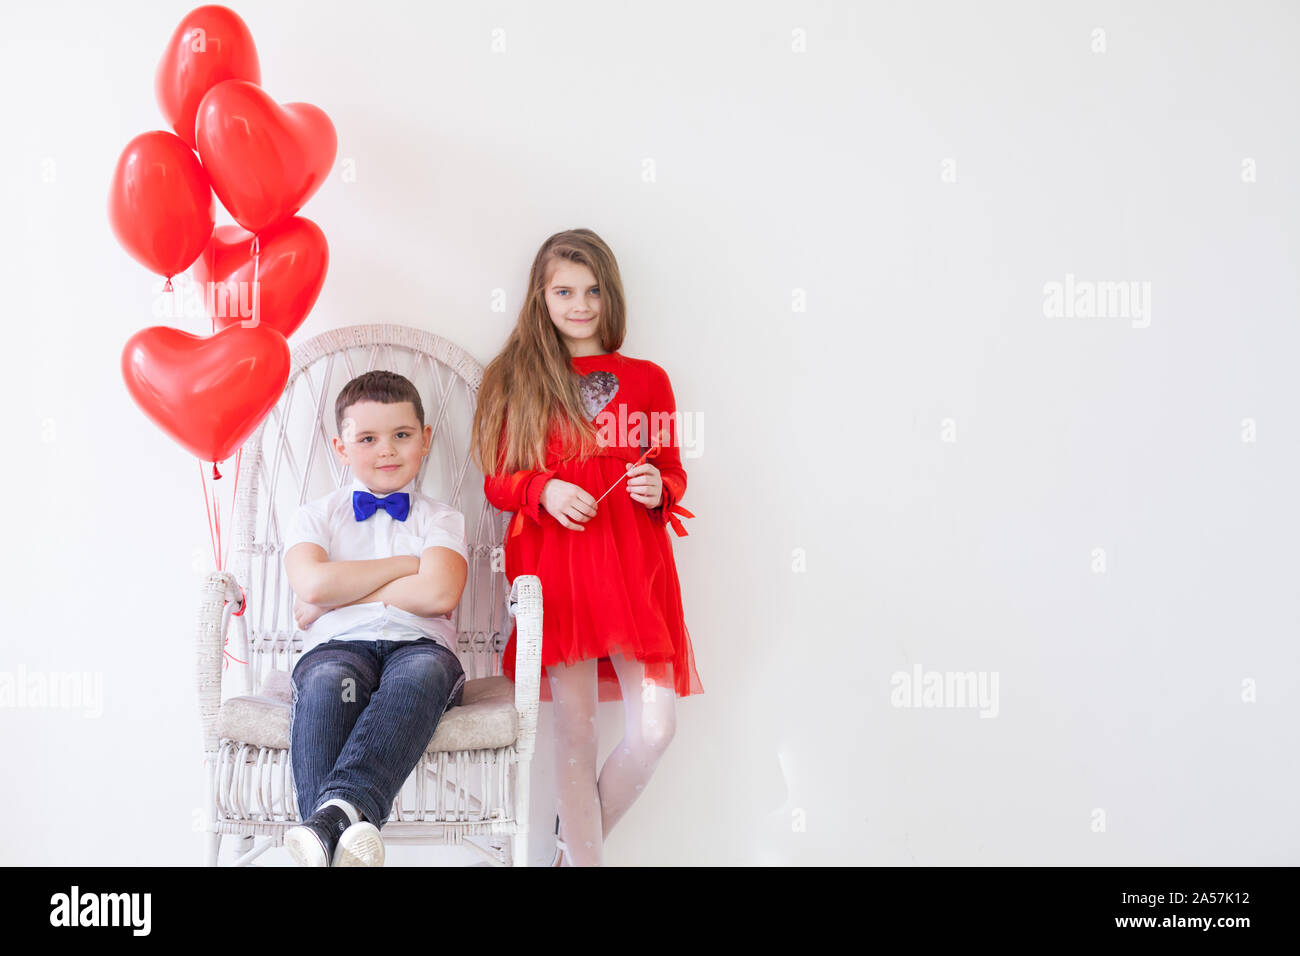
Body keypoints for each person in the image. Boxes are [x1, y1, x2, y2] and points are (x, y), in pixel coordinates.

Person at [471, 228, 703, 866]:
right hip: (560, 570)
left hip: (633, 571)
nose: (580, 304)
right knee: (575, 731)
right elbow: (497, 481)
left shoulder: (647, 379)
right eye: (564, 290)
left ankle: (570, 846)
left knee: (655, 727)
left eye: (593, 290)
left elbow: (672, 470)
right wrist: (542, 490)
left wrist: (660, 484)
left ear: (611, 295)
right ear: (540, 297)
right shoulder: (515, 377)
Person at [281, 370, 470, 866]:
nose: (386, 450)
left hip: (420, 647)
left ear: (424, 440)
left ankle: (328, 823)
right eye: (368, 438)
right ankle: (341, 826)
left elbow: (440, 590)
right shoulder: (314, 516)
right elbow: (312, 584)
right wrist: (405, 565)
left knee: (423, 673)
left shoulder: (442, 518)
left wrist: (338, 594)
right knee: (326, 681)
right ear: (342, 448)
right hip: (338, 648)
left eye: (401, 435)